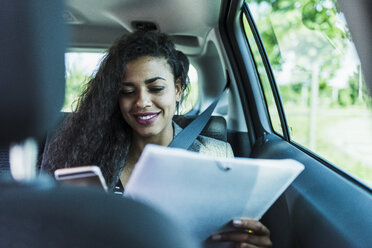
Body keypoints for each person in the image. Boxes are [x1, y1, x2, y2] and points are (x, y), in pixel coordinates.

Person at [41, 31, 272, 248]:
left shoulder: (216, 155)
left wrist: (248, 239)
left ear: (178, 89)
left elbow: (232, 231)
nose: (142, 102)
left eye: (156, 88)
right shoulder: (87, 156)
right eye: (128, 92)